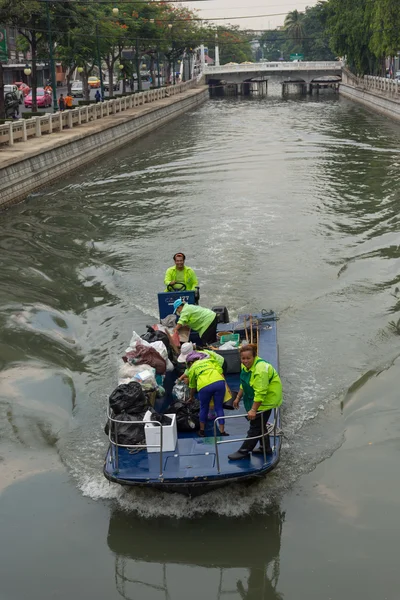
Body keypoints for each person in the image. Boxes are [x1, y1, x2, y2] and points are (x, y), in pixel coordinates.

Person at [228, 344, 282, 461]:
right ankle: (265, 448)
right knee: (261, 425)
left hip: (267, 399)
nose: (245, 361)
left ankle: (243, 451)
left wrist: (253, 410)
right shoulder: (245, 367)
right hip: (254, 397)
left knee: (255, 426)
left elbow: (261, 392)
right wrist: (238, 397)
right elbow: (244, 383)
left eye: (248, 358)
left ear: (254, 357)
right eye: (243, 358)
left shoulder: (260, 370)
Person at [186, 351, 228, 437]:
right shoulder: (210, 361)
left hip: (204, 386)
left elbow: (192, 385)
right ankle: (222, 431)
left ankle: (202, 431)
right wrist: (226, 386)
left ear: (190, 362)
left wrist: (191, 397)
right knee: (219, 407)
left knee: (204, 408)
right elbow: (221, 373)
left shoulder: (192, 367)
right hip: (219, 382)